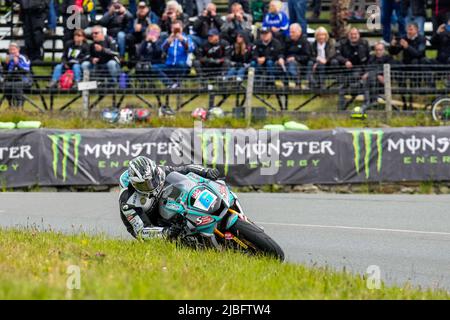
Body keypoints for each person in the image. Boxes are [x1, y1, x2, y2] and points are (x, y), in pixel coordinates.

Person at [118, 156, 220, 240]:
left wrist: (206, 171)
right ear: (135, 184)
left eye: (152, 180)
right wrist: (166, 232)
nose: (151, 186)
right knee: (179, 238)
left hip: (159, 202)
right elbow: (141, 231)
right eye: (144, 185)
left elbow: (185, 169)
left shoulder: (159, 171)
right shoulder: (127, 201)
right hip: (148, 221)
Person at [335, 28, 371, 110]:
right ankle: (341, 109)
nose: (353, 36)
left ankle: (364, 106)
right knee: (342, 87)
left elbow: (369, 58)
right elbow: (337, 55)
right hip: (345, 70)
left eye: (355, 34)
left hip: (360, 70)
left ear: (359, 35)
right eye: (351, 34)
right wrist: (345, 61)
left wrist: (367, 71)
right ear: (348, 35)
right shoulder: (343, 43)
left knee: (358, 84)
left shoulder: (364, 43)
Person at [156, 20, 195, 88]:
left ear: (181, 28)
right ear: (171, 29)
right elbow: (162, 49)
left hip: (182, 66)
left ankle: (177, 84)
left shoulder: (187, 38)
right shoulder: (169, 38)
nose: (176, 30)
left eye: (177, 28)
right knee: (154, 67)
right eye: (174, 28)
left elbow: (191, 49)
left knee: (181, 64)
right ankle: (170, 84)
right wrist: (168, 42)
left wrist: (182, 40)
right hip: (169, 65)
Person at [361, 42, 395, 112]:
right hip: (371, 81)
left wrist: (371, 73)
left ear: (384, 50)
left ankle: (368, 102)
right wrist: (375, 74)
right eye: (376, 50)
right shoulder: (371, 58)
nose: (378, 52)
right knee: (369, 78)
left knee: (370, 76)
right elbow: (368, 68)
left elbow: (388, 71)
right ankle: (370, 102)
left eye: (380, 50)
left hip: (384, 83)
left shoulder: (389, 58)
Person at [283, 23, 313, 89]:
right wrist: (281, 58)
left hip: (301, 64)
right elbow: (283, 52)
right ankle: (285, 85)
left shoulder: (304, 42)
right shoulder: (287, 41)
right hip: (287, 62)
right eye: (290, 32)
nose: (291, 34)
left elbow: (308, 56)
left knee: (292, 64)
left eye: (293, 32)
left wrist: (295, 58)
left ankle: (297, 84)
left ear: (299, 32)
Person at [3, 43, 32, 108]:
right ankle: (11, 106)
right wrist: (6, 64)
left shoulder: (23, 57)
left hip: (24, 79)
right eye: (10, 50)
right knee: (6, 86)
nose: (12, 52)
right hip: (11, 79)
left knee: (16, 86)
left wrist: (17, 63)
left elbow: (26, 71)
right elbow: (4, 72)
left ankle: (19, 107)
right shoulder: (9, 58)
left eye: (13, 49)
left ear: (18, 49)